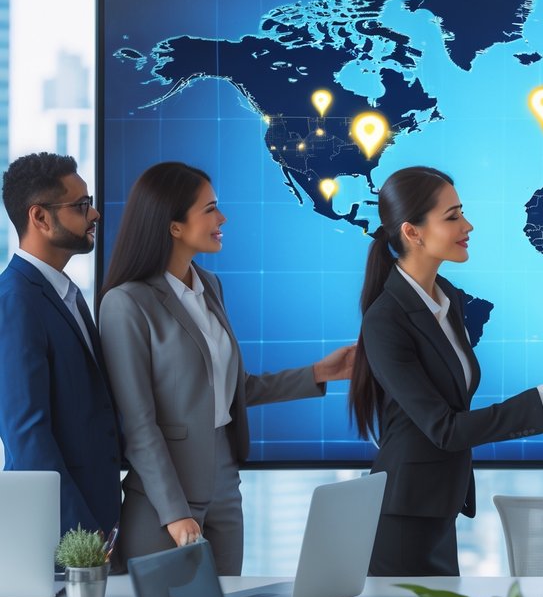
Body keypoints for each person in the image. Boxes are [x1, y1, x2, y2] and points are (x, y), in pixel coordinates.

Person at [351, 166, 543, 576]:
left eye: (462, 212)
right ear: (412, 232)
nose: (467, 225)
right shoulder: (386, 320)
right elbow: (445, 429)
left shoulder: (447, 299)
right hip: (403, 516)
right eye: (452, 217)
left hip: (438, 507)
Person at [99, 162, 354, 575]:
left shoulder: (210, 287)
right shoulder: (126, 304)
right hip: (166, 498)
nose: (223, 219)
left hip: (225, 484)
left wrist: (318, 374)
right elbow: (139, 424)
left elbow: (231, 389)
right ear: (174, 226)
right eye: (210, 209)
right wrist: (174, 513)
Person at [0, 153, 122, 538]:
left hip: (98, 520)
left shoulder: (66, 293)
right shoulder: (16, 300)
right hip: (60, 534)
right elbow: (28, 437)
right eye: (81, 205)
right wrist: (82, 535)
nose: (95, 214)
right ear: (40, 217)